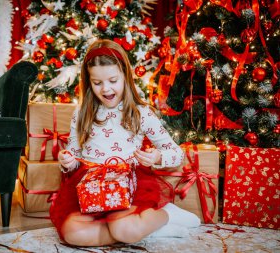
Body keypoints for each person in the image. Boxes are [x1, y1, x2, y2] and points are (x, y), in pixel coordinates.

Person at [49, 39, 200, 247]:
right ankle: (146, 232)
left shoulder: (140, 113)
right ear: (88, 81)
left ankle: (166, 216)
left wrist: (157, 156)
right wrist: (67, 160)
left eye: (113, 80)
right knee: (71, 233)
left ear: (125, 77)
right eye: (97, 82)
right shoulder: (81, 113)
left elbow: (176, 153)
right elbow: (74, 156)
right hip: (92, 188)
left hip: (129, 188)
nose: (106, 89)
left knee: (123, 228)